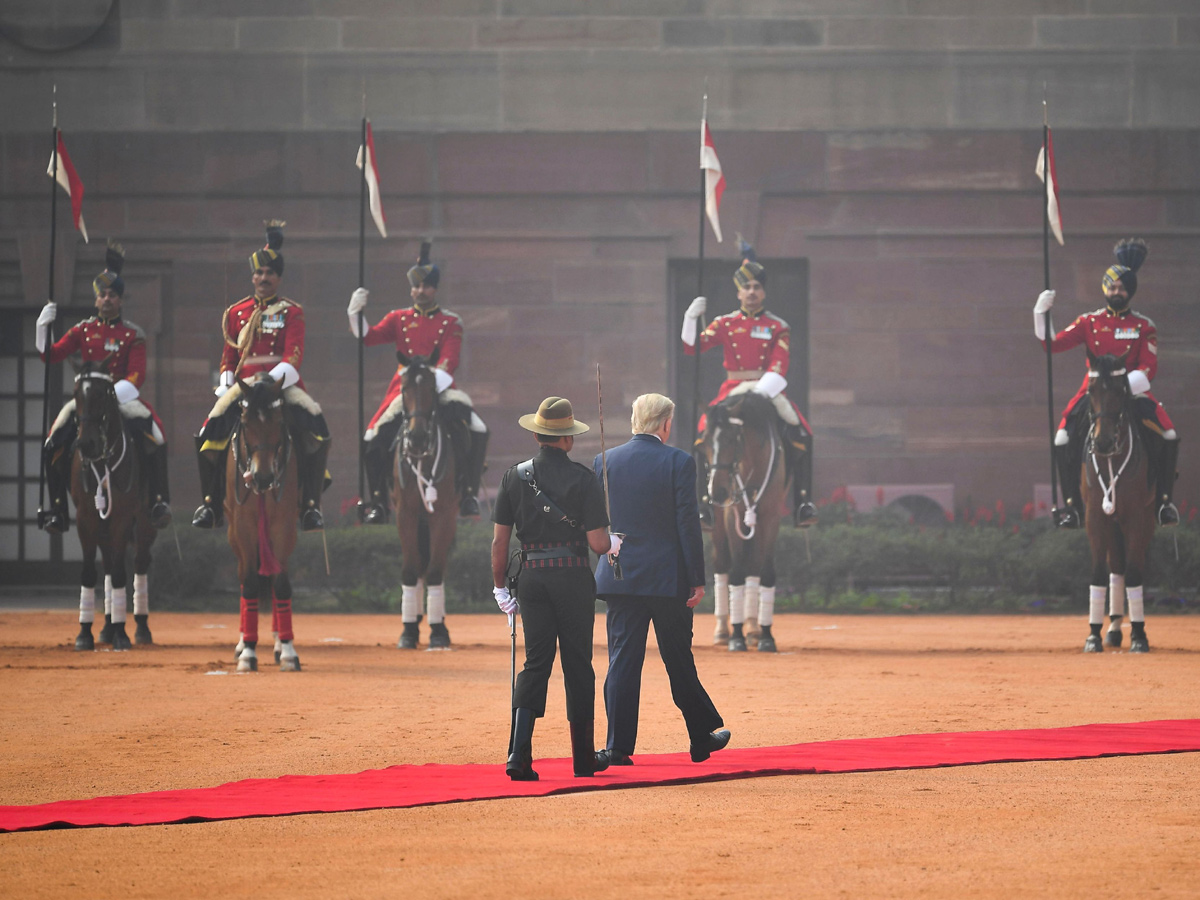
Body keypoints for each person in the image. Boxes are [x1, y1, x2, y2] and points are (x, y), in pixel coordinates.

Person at [592, 393, 730, 766]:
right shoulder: (679, 461)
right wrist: (696, 578)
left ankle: (617, 747)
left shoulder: (604, 460)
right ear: (665, 424)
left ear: (636, 419)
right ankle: (700, 736)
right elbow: (687, 524)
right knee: (677, 658)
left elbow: (595, 521)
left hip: (619, 575)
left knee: (622, 660)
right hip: (668, 578)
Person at [490, 397, 619, 781]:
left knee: (535, 664)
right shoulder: (583, 478)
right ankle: (582, 759)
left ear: (536, 434)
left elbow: (499, 543)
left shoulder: (514, 476)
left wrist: (500, 588)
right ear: (568, 439)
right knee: (577, 664)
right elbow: (598, 543)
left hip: (531, 579)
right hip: (573, 577)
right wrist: (615, 544)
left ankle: (518, 754)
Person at [191, 221, 331, 532]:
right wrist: (227, 380)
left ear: (278, 278)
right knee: (206, 434)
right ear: (253, 277)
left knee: (317, 429)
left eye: (269, 274)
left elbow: (294, 353)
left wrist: (273, 381)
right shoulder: (236, 312)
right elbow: (229, 354)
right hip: (243, 386)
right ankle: (211, 504)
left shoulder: (291, 312)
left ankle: (310, 505)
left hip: (279, 383)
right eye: (259, 273)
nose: (263, 278)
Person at [1035, 238, 1179, 528]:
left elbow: (1148, 368)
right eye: (1112, 287)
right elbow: (1052, 345)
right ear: (1104, 289)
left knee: (1169, 435)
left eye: (1122, 288)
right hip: (1096, 393)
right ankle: (1072, 508)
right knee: (1063, 438)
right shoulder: (1088, 322)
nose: (1116, 292)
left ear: (1130, 292)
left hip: (1132, 391)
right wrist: (1040, 313)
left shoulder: (1143, 326)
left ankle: (1164, 504)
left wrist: (1125, 387)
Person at [36, 240, 172, 534]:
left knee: (157, 437)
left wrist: (113, 394)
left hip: (121, 397)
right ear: (96, 299)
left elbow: (137, 374)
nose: (107, 299)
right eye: (102, 295)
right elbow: (52, 355)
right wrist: (41, 329)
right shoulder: (83, 330)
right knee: (53, 443)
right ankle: (58, 509)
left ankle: (159, 501)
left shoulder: (132, 333)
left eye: (112, 295)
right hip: (86, 400)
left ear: (120, 300)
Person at [348, 241, 489, 522]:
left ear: (434, 289)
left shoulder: (451, 322)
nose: (419, 292)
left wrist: (430, 382)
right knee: (370, 437)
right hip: (405, 390)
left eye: (425, 287)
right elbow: (369, 337)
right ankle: (377, 501)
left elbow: (449, 360)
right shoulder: (398, 319)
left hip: (440, 385)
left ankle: (470, 493)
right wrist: (355, 313)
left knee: (478, 427)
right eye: (415, 287)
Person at [682, 239, 817, 530]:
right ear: (739, 292)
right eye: (747, 287)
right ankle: (705, 504)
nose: (752, 292)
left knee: (801, 430)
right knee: (705, 432)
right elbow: (693, 348)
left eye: (757, 287)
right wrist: (690, 318)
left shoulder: (777, 326)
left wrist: (759, 393)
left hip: (766, 389)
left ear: (763, 291)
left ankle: (803, 503)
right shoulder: (725, 323)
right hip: (732, 389)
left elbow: (779, 365)